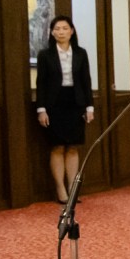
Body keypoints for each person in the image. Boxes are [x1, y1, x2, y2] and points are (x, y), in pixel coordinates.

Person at [35, 14, 94, 203]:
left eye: (65, 28)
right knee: (57, 146)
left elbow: (86, 80)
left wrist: (89, 106)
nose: (61, 32)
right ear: (52, 33)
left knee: (73, 147)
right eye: (57, 29)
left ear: (72, 31)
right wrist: (41, 109)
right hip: (54, 104)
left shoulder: (81, 53)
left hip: (75, 102)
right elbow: (41, 83)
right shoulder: (45, 55)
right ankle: (60, 189)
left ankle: (72, 188)